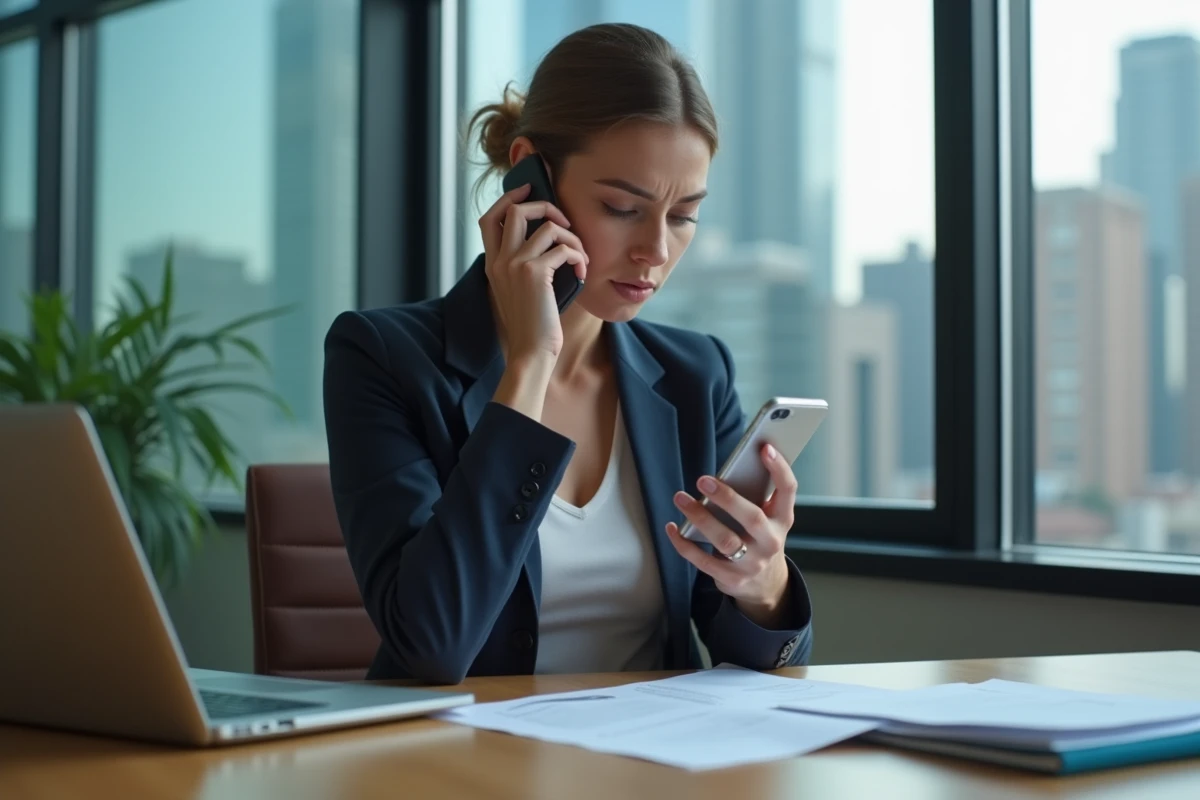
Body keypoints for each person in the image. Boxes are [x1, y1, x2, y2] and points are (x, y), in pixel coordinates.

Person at [323, 22, 813, 684]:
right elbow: (431, 644)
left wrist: (763, 582)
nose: (656, 251)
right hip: (463, 768)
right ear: (531, 178)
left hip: (653, 767)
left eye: (682, 215)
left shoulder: (697, 375)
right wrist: (529, 364)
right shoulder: (382, 357)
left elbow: (744, 659)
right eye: (621, 207)